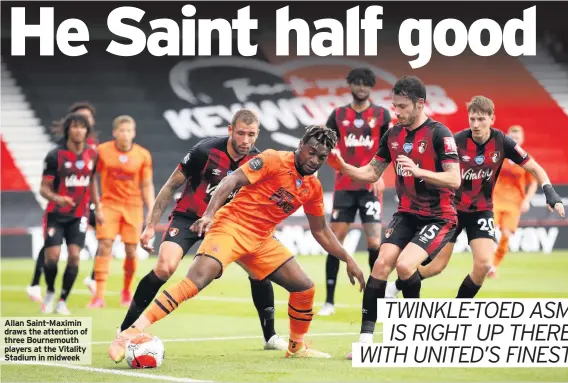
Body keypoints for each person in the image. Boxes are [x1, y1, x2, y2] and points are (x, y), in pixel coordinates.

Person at [107, 125, 366, 362]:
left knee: (304, 288)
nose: (314, 160)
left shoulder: (312, 187)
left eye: (321, 158)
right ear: (301, 145)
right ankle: (130, 333)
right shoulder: (273, 159)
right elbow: (231, 181)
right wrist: (209, 214)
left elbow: (320, 230)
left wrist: (349, 258)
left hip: (261, 239)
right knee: (198, 279)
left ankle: (296, 346)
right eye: (311, 152)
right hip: (231, 226)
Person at [119, 109, 288, 350]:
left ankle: (269, 337)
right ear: (230, 130)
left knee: (259, 272)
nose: (246, 140)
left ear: (257, 134)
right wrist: (150, 226)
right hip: (188, 218)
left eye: (251, 134)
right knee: (165, 267)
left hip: (227, 225)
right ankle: (125, 329)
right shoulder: (205, 151)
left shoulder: (258, 160)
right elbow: (169, 186)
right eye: (240, 133)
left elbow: (261, 201)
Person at [327, 76, 462, 360]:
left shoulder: (440, 134)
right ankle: (365, 339)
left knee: (403, 265)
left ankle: (413, 336)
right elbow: (370, 173)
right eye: (394, 105)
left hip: (438, 217)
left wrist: (419, 171)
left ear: (420, 103)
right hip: (407, 214)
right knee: (380, 264)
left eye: (401, 106)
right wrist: (342, 166)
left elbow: (454, 179)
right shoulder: (392, 135)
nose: (396, 111)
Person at [385, 97, 565, 298]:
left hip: (481, 210)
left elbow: (534, 167)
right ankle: (397, 286)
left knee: (484, 265)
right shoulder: (455, 141)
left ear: (492, 119)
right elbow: (433, 170)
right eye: (472, 119)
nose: (476, 124)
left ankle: (458, 314)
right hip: (451, 211)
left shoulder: (502, 141)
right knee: (436, 267)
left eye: (481, 119)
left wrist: (550, 193)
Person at [318, 67, 391, 317]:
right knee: (334, 243)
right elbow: (324, 145)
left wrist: (380, 175)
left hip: (370, 187)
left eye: (366, 84)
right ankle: (329, 301)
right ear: (350, 85)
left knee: (374, 243)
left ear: (371, 87)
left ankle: (375, 300)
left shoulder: (382, 115)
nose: (361, 88)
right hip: (344, 188)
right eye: (357, 83)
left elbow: (390, 148)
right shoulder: (338, 115)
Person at [27, 101, 100, 303]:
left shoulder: (93, 152)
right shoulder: (56, 154)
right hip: (57, 213)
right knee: (52, 253)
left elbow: (93, 181)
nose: (80, 128)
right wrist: (58, 198)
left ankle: (70, 295)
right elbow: (44, 187)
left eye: (85, 123)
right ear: (68, 127)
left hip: (81, 211)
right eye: (77, 123)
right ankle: (41, 285)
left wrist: (98, 207)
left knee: (80, 253)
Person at [87, 115, 155, 308]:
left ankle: (126, 291)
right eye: (121, 130)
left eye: (128, 131)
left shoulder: (143, 155)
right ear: (115, 132)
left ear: (133, 133)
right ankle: (98, 296)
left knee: (132, 251)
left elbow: (147, 183)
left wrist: (151, 208)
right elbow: (92, 178)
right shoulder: (102, 151)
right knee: (104, 245)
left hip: (133, 207)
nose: (125, 134)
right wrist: (97, 205)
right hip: (109, 205)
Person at [489, 125, 539, 278]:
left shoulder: (527, 159)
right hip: (495, 200)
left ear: (522, 140)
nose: (515, 140)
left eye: (518, 138)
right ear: (507, 138)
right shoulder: (499, 156)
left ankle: (494, 266)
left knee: (505, 236)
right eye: (512, 138)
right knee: (488, 232)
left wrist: (527, 201)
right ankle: (486, 264)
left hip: (514, 204)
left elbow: (534, 181)